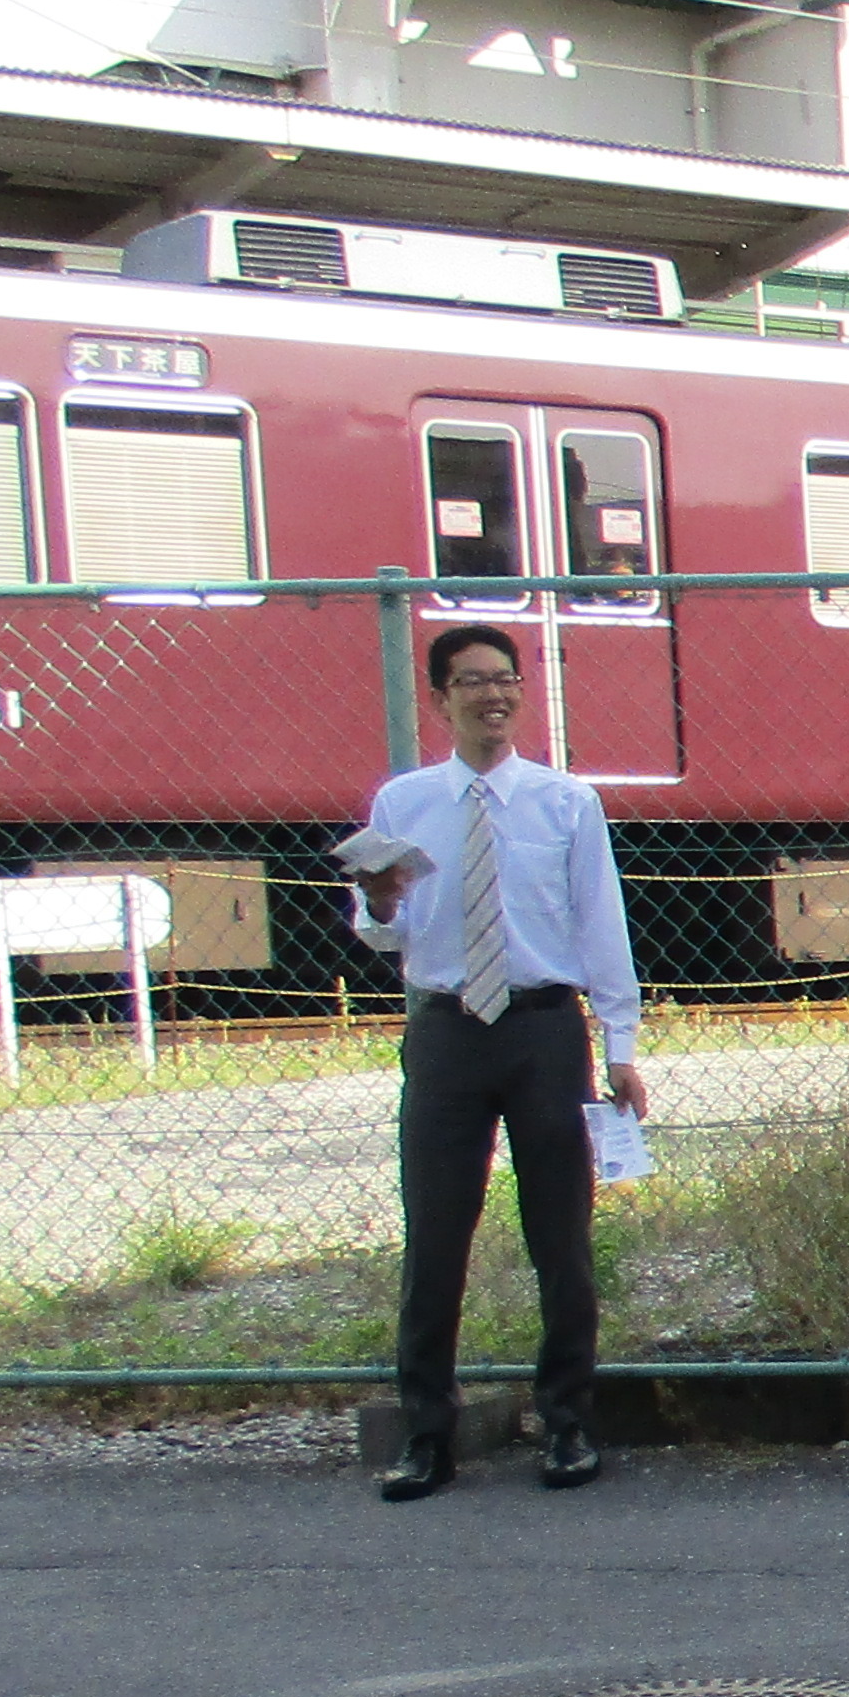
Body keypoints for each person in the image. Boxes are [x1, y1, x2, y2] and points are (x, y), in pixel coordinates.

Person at [347, 622, 648, 1500]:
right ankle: (427, 1436)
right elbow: (382, 934)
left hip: (544, 1031)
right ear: (440, 698)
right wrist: (376, 903)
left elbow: (600, 925)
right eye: (474, 681)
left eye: (507, 680)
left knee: (562, 1237)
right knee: (435, 1238)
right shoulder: (403, 804)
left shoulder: (565, 802)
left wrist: (620, 1047)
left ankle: (567, 1424)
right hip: (445, 1032)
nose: (495, 696)